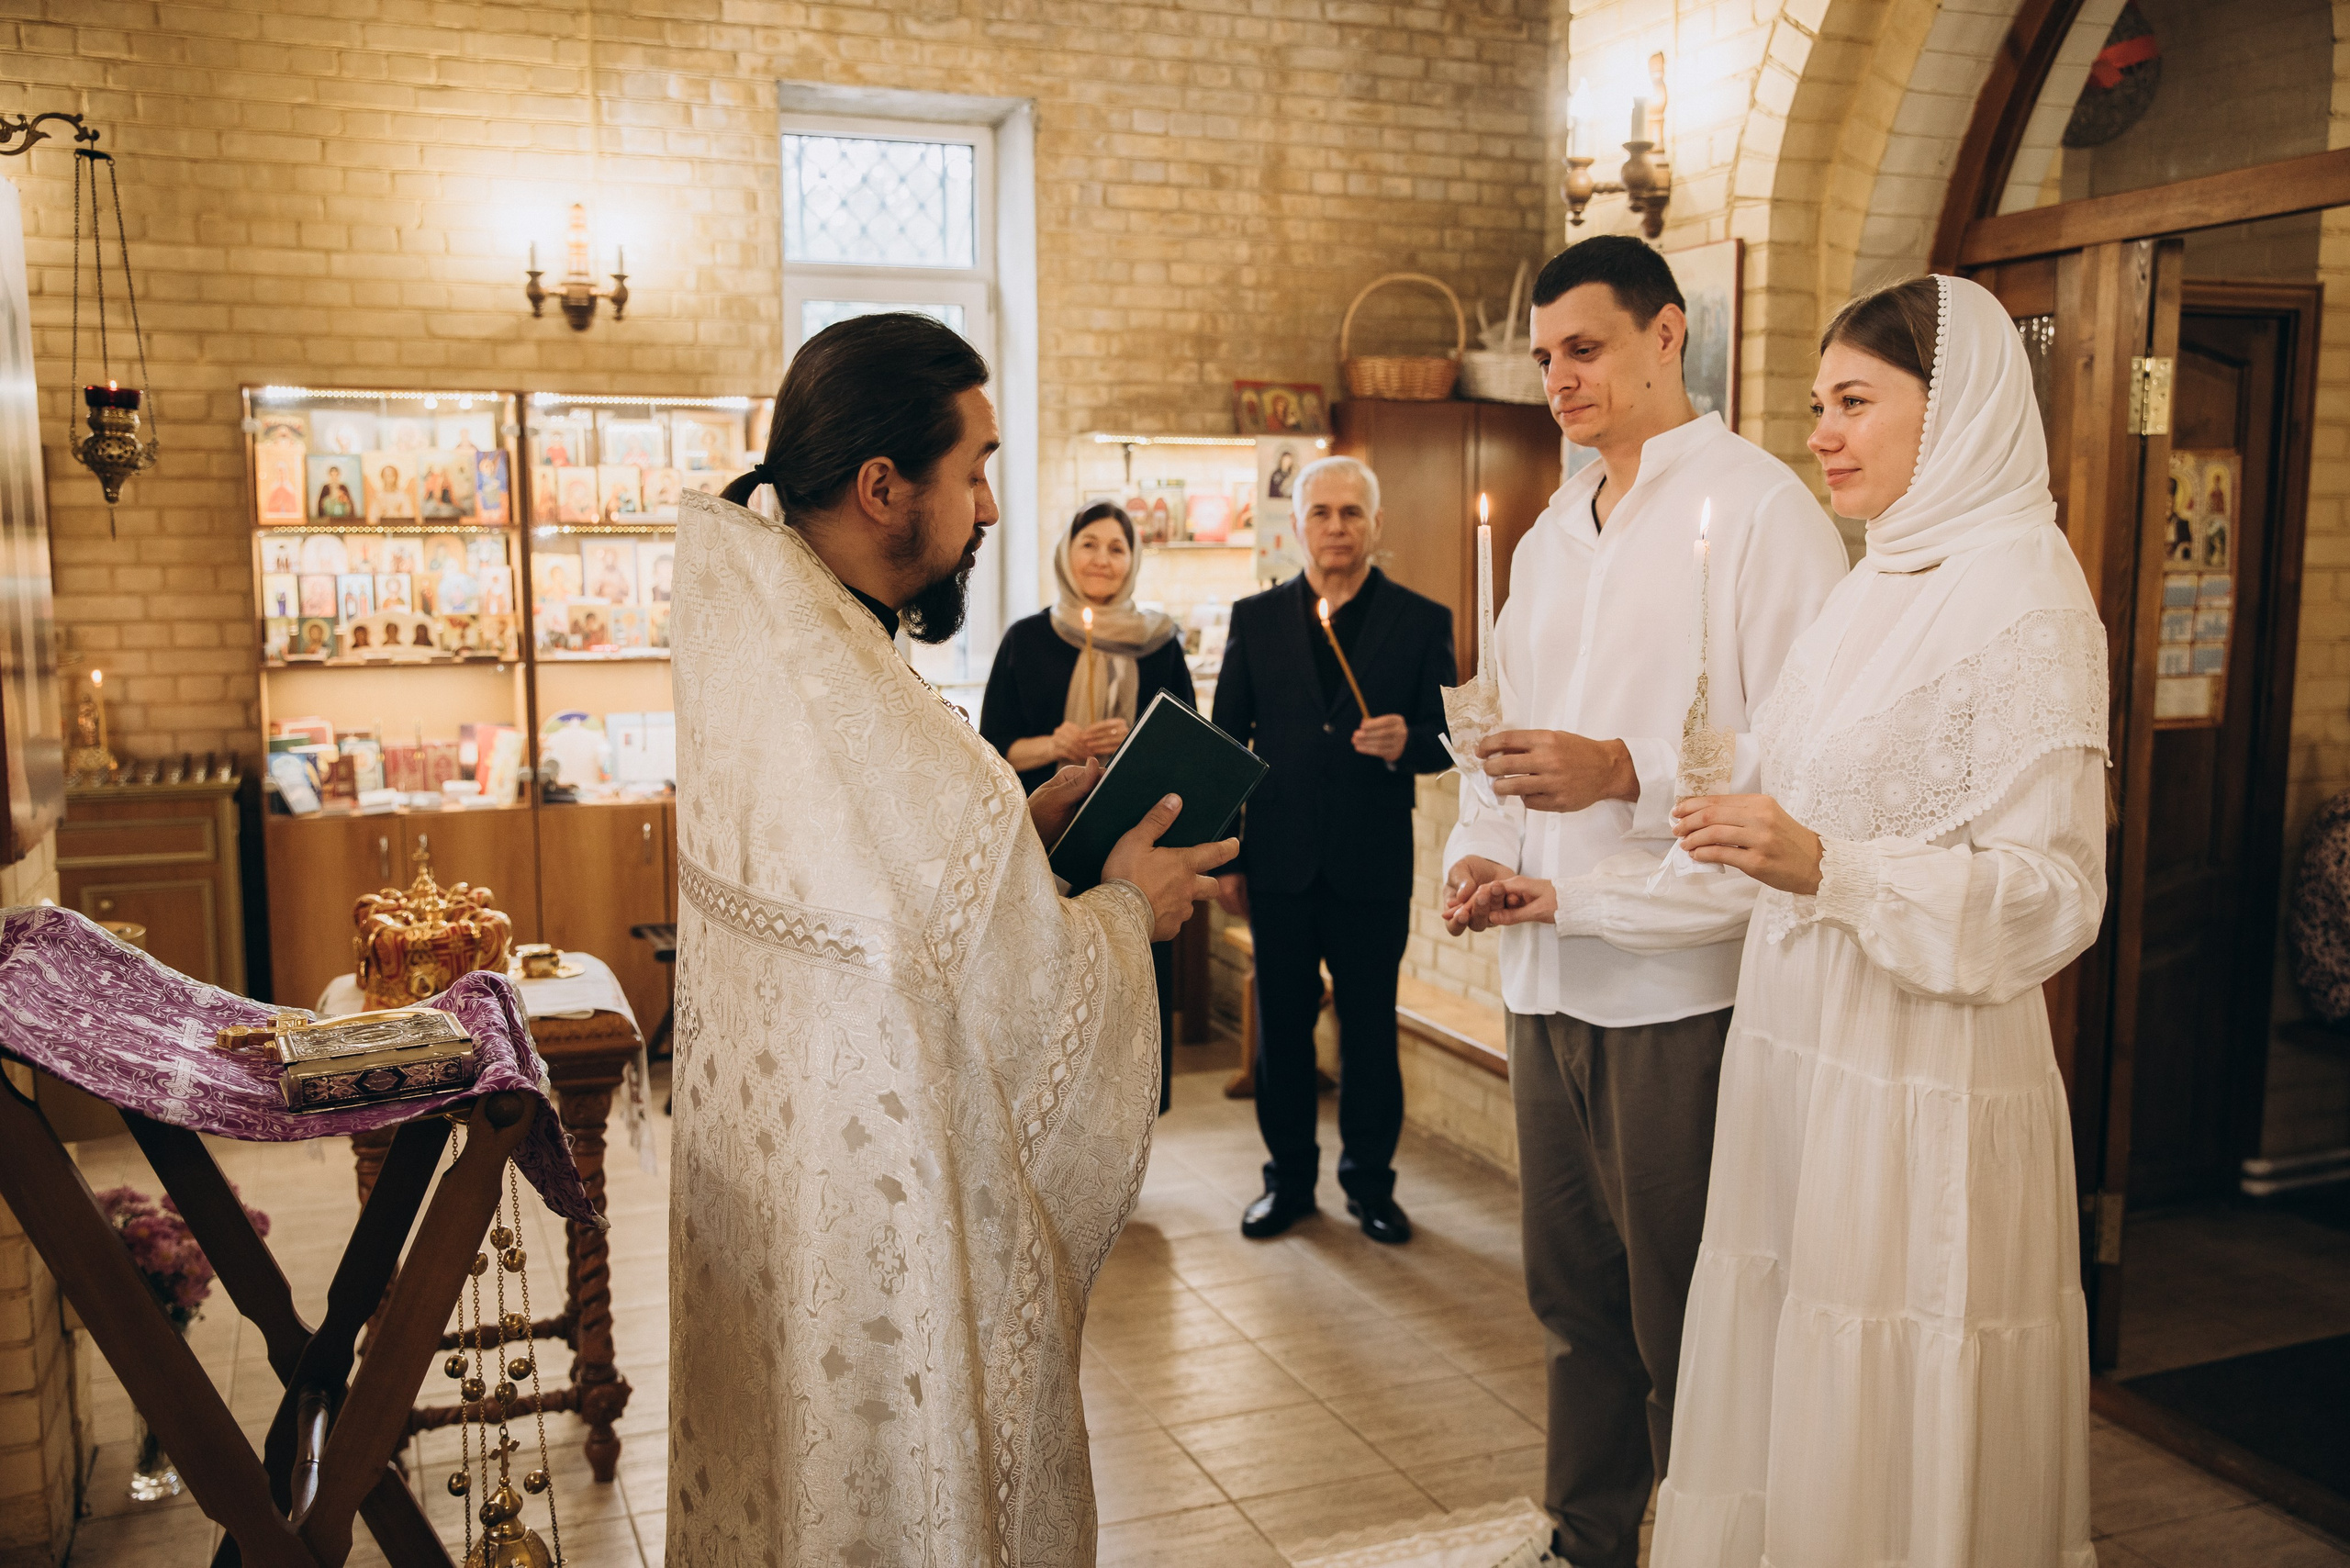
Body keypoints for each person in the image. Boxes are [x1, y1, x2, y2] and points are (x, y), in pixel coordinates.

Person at [667, 311, 1233, 1567]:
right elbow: (1018, 1012)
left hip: (789, 1201)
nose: (985, 508)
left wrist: (1017, 832)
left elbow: (891, 911)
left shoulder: (784, 641)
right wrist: (1132, 907)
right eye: (972, 469)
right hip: (881, 1237)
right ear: (883, 487)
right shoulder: (848, 683)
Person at [1644, 274, 2106, 1568]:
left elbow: (2055, 893)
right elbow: (1810, 791)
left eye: (1855, 402)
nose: (1824, 433)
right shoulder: (1874, 578)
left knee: (1900, 1398)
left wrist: (1829, 870)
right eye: (1815, 406)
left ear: (1952, 410)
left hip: (1923, 1083)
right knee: (1796, 1386)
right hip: (1804, 1064)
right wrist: (1723, 812)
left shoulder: (2028, 592)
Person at [1440, 235, 1847, 1568]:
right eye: (1547, 355)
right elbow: (1504, 743)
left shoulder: (1763, 510)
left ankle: (1713, 1542)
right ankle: (1589, 1537)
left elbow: (1806, 753)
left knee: (1690, 1307)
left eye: (1587, 348)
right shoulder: (1555, 535)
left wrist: (1626, 769)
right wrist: (1478, 852)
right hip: (1547, 971)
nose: (1559, 377)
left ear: (1672, 336)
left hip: (1682, 981)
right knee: (1572, 1297)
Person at [1212, 454, 1456, 1244]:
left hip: (1369, 863)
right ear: (1297, 527)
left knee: (1369, 1031)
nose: (1338, 527)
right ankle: (1286, 1183)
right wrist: (1230, 859)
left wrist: (1405, 742)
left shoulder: (1421, 621)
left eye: (1352, 513)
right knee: (1281, 1034)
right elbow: (1227, 747)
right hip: (1278, 862)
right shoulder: (1255, 621)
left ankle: (1371, 1184)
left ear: (1376, 525)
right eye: (1323, 513)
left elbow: (1449, 740)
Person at [980, 501, 1196, 1111]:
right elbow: (991, 750)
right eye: (1090, 544)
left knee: (1131, 1004)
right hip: (1049, 858)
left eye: (1117, 548)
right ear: (1067, 554)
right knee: (1051, 1012)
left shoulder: (1160, 643)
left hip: (1136, 855)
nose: (1102, 558)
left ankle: (1122, 1154)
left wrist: (1139, 750)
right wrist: (1058, 743)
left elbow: (1186, 744)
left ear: (1133, 561)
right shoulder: (1028, 639)